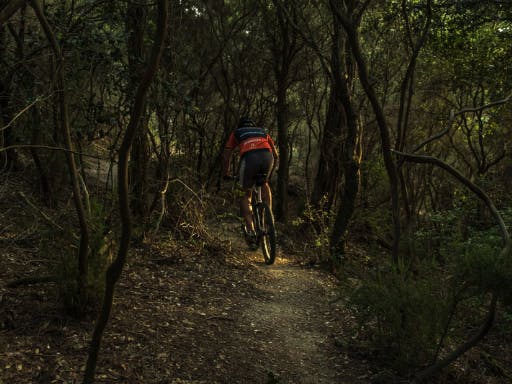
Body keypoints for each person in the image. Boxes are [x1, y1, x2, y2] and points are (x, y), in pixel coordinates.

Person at [223, 117, 278, 244]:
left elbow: (226, 155)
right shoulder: (262, 132)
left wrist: (226, 173)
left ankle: (251, 230)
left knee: (245, 193)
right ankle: (269, 220)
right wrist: (269, 174)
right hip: (267, 156)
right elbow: (275, 154)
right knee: (265, 184)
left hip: (249, 158)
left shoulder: (237, 133)